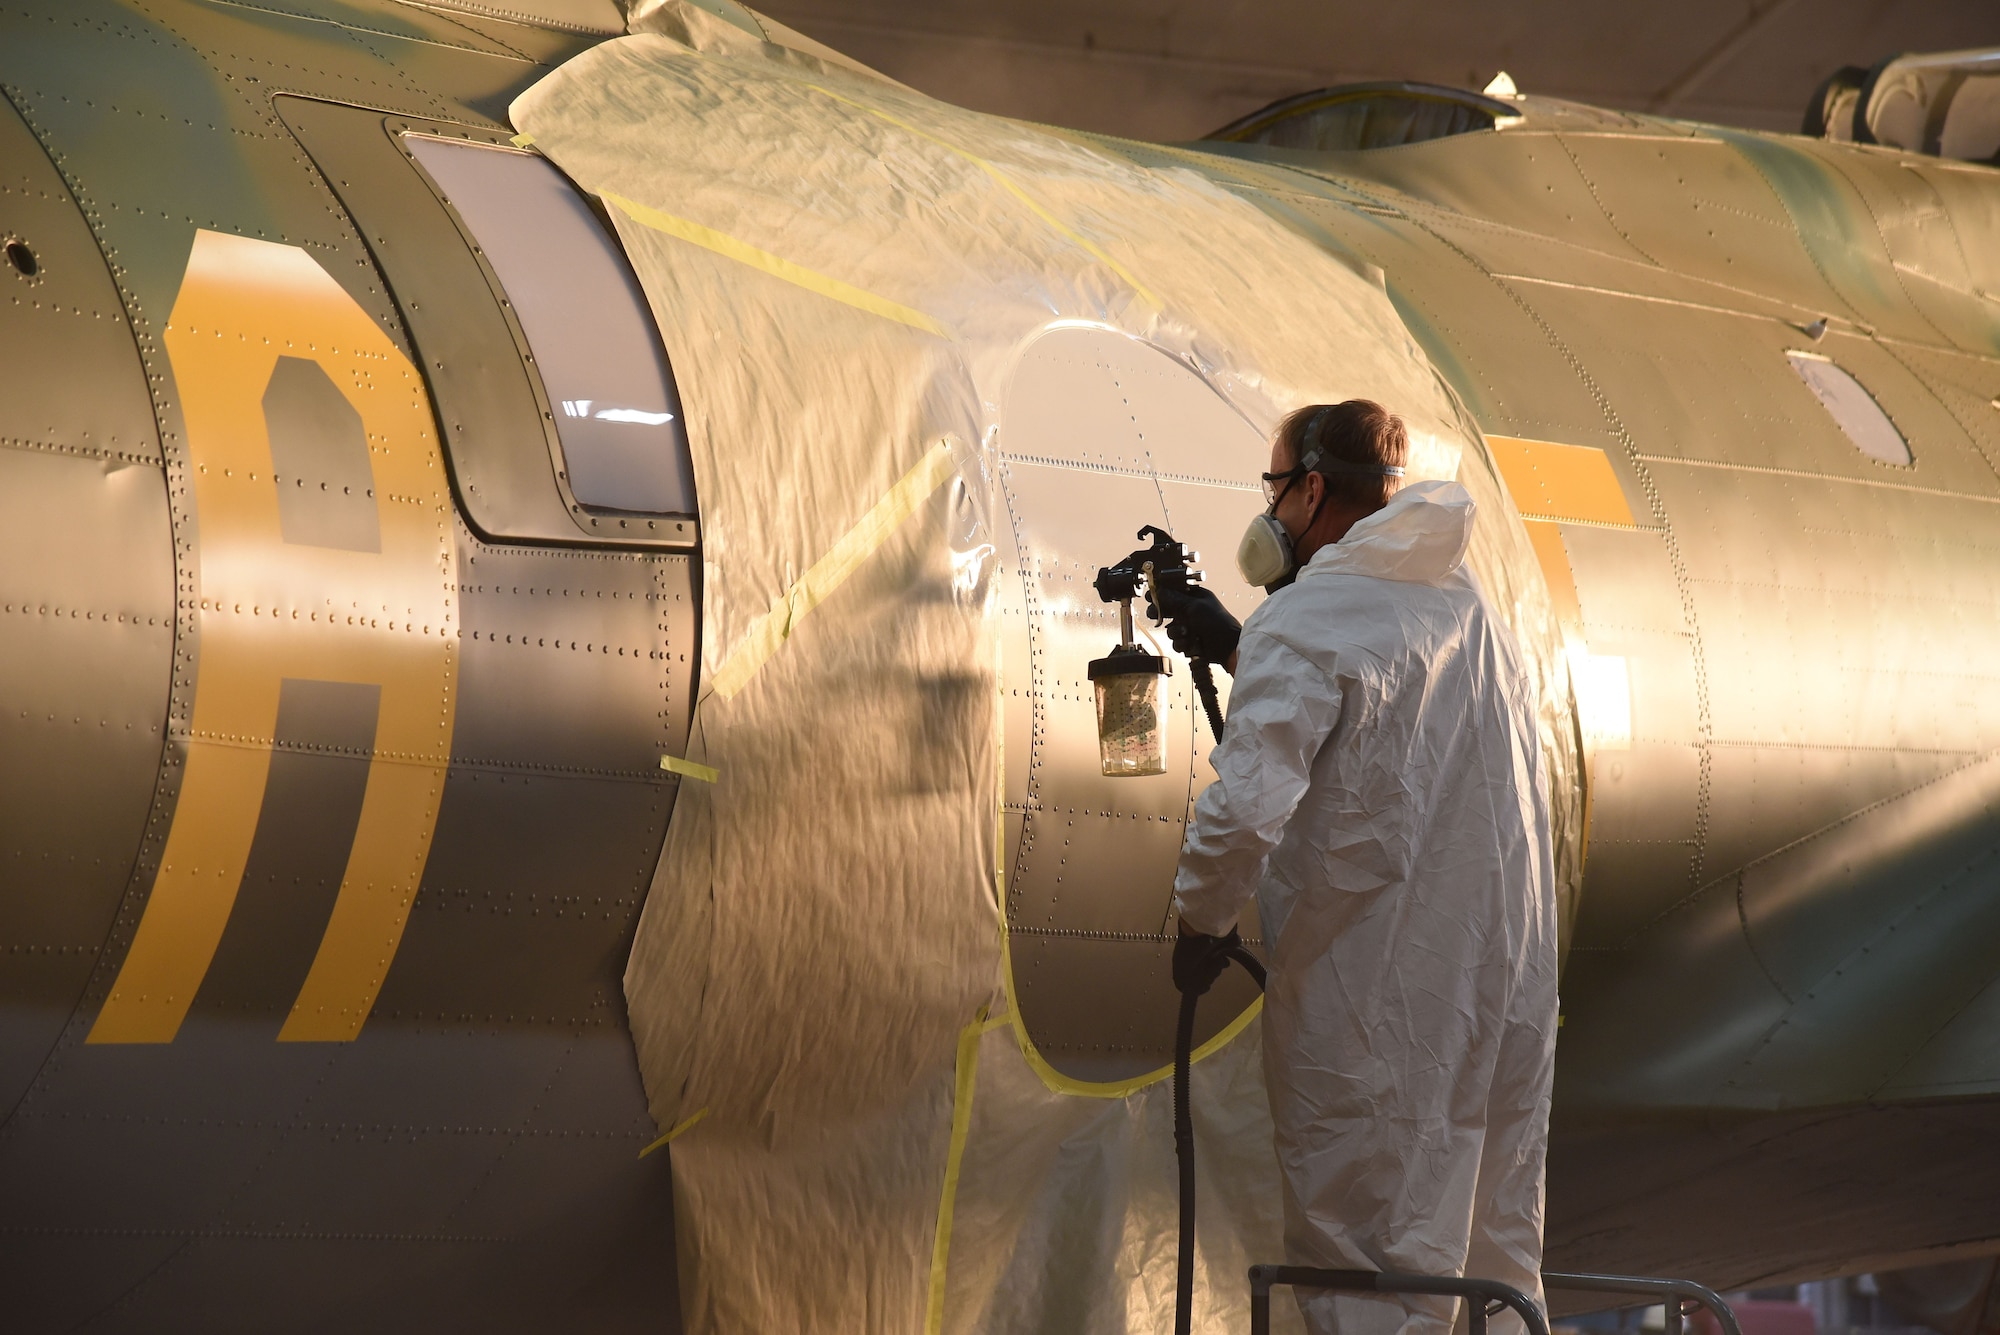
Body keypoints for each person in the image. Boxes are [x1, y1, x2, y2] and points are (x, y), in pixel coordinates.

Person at [1156, 400, 1558, 1335]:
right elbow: (1380, 707)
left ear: (1315, 488)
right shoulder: (1467, 610)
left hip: (1380, 1008)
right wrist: (1239, 644)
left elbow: (1247, 806)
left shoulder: (1308, 619)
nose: (1273, 512)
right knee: (1494, 1257)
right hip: (1501, 1002)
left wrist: (1196, 926)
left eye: (1277, 488)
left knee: (1373, 1267)